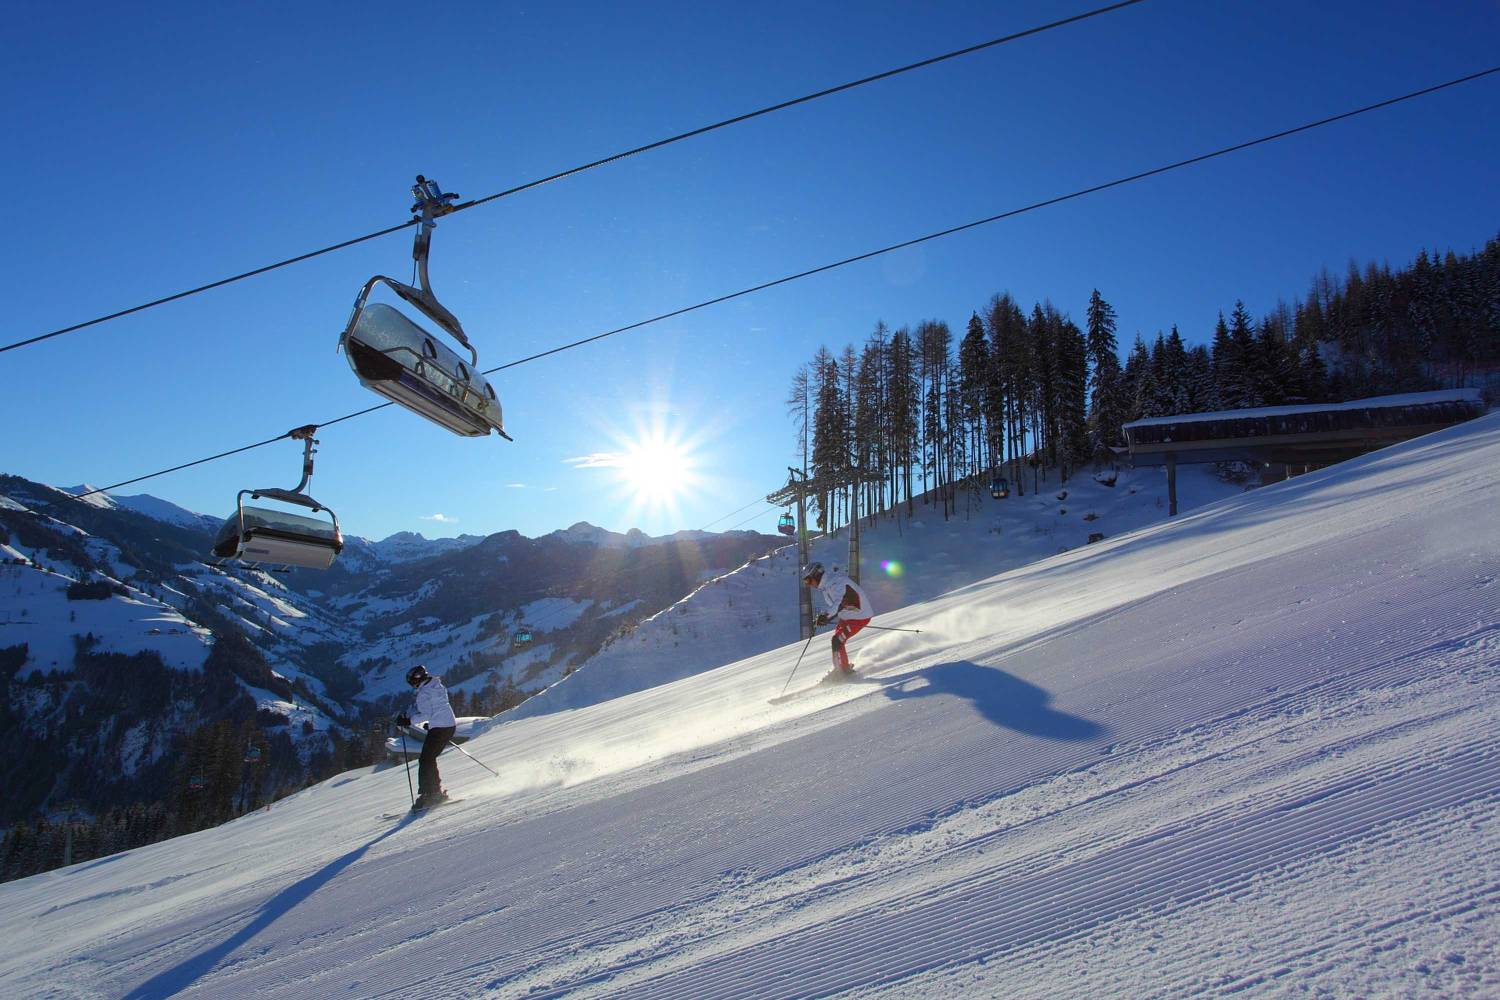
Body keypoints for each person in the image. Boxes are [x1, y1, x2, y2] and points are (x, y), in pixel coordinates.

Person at [396, 664, 457, 810]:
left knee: (425, 759)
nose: (412, 685)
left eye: (411, 682)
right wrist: (432, 724)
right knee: (428, 758)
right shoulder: (437, 685)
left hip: (440, 727)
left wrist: (408, 721)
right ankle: (434, 792)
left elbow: (426, 714)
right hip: (448, 724)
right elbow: (439, 707)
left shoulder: (423, 694)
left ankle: (430, 794)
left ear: (416, 680)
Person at [801, 561, 874, 676]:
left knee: (837, 641)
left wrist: (826, 616)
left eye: (809, 580)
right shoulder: (826, 586)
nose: (809, 584)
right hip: (847, 617)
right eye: (806, 582)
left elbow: (838, 604)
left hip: (859, 616)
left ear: (816, 575)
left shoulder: (837, 583)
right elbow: (835, 605)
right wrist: (824, 616)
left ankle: (843, 672)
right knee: (836, 641)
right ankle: (840, 668)